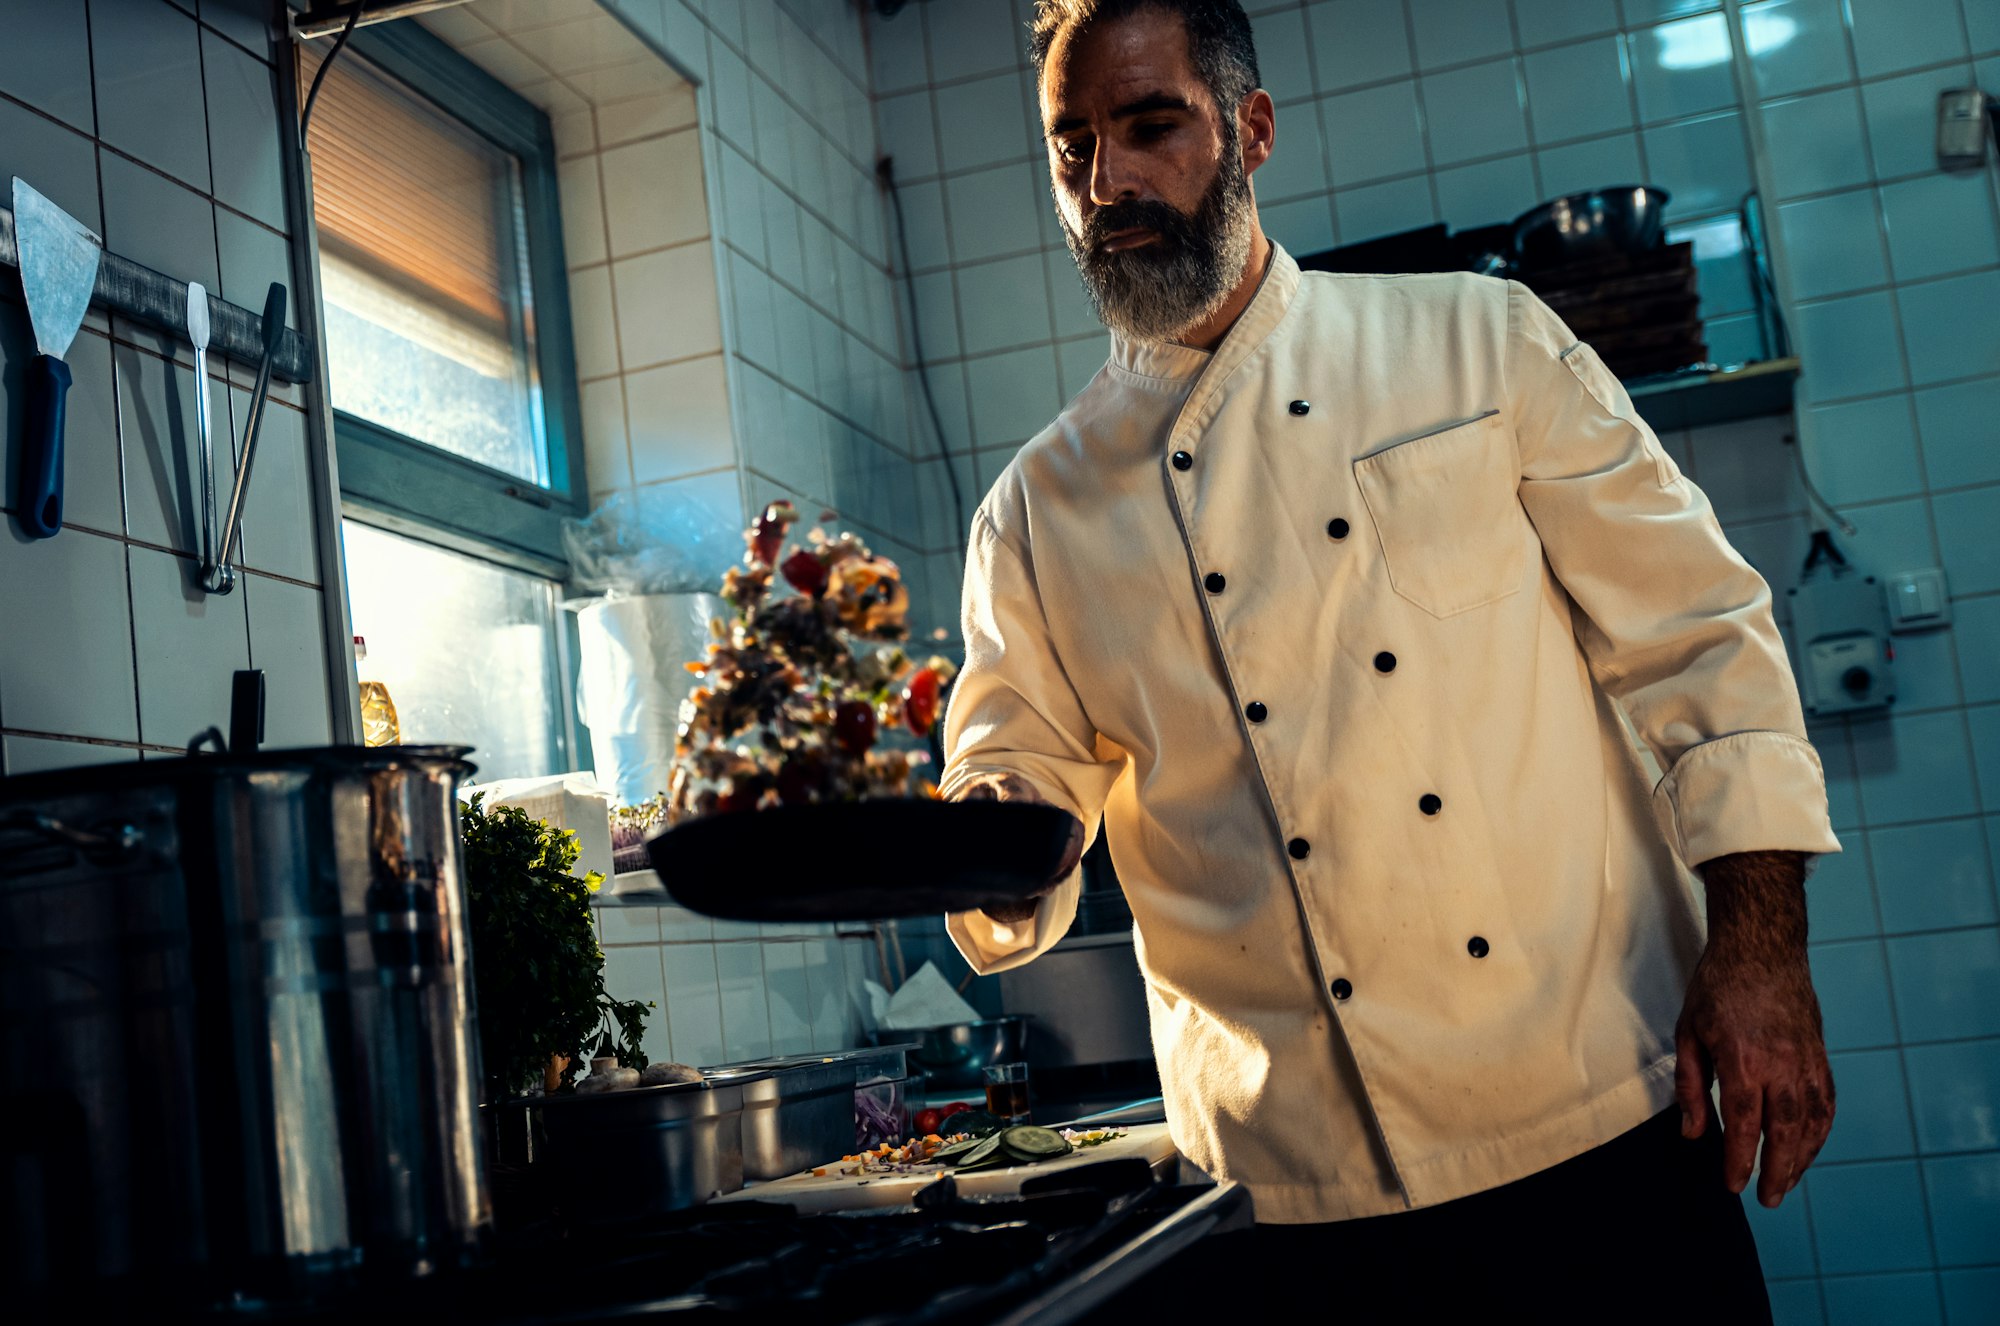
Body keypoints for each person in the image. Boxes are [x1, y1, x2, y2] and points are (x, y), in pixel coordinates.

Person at [936, 1, 1840, 1319]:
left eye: (1150, 126)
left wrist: (1761, 950)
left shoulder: (1482, 342)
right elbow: (1014, 780)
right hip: (1286, 1202)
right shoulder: (1032, 512)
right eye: (1073, 147)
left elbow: (1701, 636)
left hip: (1599, 1129)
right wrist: (986, 848)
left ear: (1250, 131)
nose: (1108, 182)